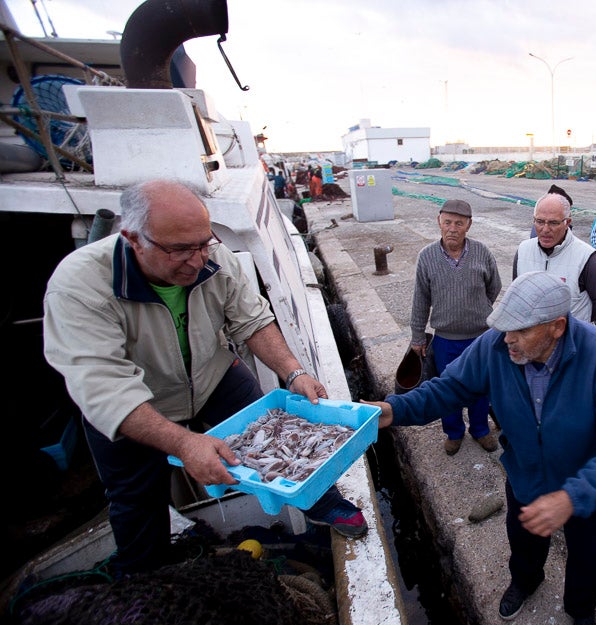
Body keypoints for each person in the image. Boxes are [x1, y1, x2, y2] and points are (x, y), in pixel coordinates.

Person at [42, 179, 367, 577]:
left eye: (203, 243)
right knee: (135, 500)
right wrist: (185, 443)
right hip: (134, 405)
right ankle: (145, 575)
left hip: (213, 377)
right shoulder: (78, 286)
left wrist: (293, 371)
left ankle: (326, 504)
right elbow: (104, 389)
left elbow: (254, 321)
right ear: (133, 239)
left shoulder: (214, 259)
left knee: (289, 433)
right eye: (179, 250)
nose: (197, 261)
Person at [366, 271, 596, 625]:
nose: (506, 339)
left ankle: (581, 611)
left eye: (518, 331)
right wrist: (393, 410)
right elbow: (449, 389)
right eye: (502, 329)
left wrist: (571, 498)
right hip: (526, 473)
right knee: (524, 540)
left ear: (556, 327)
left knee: (590, 555)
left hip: (591, 488)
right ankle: (526, 581)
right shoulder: (497, 347)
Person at [410, 199, 502, 455]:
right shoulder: (427, 256)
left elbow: (494, 286)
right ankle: (453, 432)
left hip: (480, 337)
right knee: (447, 388)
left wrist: (476, 309)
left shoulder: (482, 252)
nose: (452, 228)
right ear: (439, 222)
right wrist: (417, 336)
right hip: (445, 340)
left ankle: (480, 429)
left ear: (468, 225)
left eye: (459, 223)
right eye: (447, 222)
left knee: (481, 387)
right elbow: (420, 299)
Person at [513, 191, 596, 324]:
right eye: (540, 221)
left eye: (553, 223)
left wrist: (576, 327)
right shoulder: (523, 251)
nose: (545, 229)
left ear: (567, 222)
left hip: (569, 342)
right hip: (531, 341)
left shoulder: (587, 258)